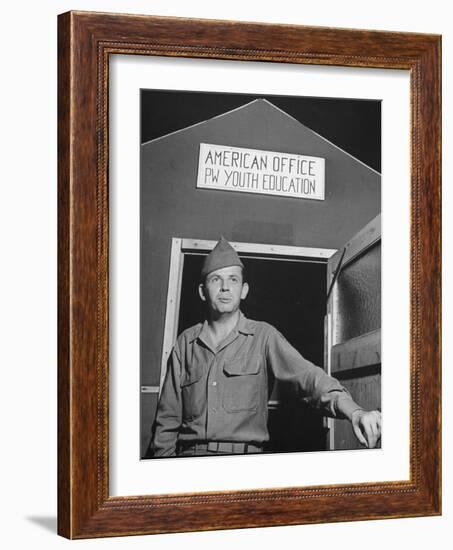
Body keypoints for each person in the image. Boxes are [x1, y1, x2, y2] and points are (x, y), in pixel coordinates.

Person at [150, 237, 381, 457]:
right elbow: (167, 421)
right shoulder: (185, 343)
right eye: (215, 279)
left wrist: (355, 411)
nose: (224, 287)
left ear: (244, 290)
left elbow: (309, 378)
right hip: (190, 462)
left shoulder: (263, 336)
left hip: (244, 463)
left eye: (233, 279)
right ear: (203, 291)